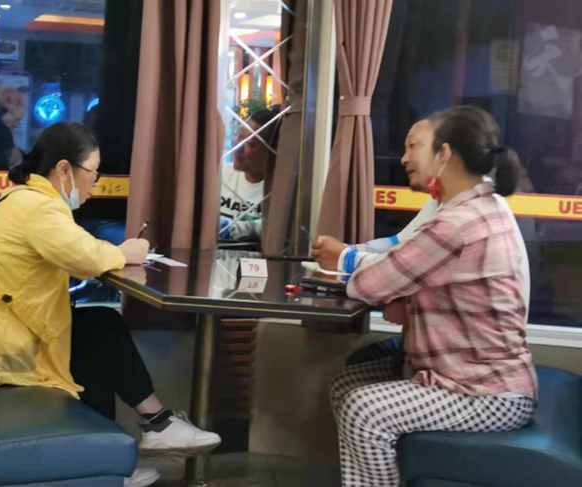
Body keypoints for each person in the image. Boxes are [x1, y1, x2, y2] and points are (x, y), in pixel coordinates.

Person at [0, 122, 221, 487]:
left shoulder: (28, 201)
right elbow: (85, 257)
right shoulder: (37, 208)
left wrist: (115, 252)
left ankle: (117, 454)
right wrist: (128, 251)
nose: (96, 183)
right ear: (64, 169)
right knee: (98, 331)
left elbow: (76, 247)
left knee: (95, 328)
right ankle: (151, 428)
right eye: (93, 172)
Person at [311, 106, 538, 487]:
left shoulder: (458, 222)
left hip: (488, 393)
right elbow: (407, 268)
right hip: (467, 377)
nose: (403, 159)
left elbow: (373, 283)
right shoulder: (473, 208)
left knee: (363, 408)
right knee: (346, 384)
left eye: (413, 147)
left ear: (444, 154)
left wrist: (347, 260)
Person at [219, 106, 281, 241]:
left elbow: (274, 228)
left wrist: (238, 229)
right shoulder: (221, 175)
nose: (238, 147)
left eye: (250, 143)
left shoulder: (279, 191)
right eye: (239, 137)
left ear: (270, 150)